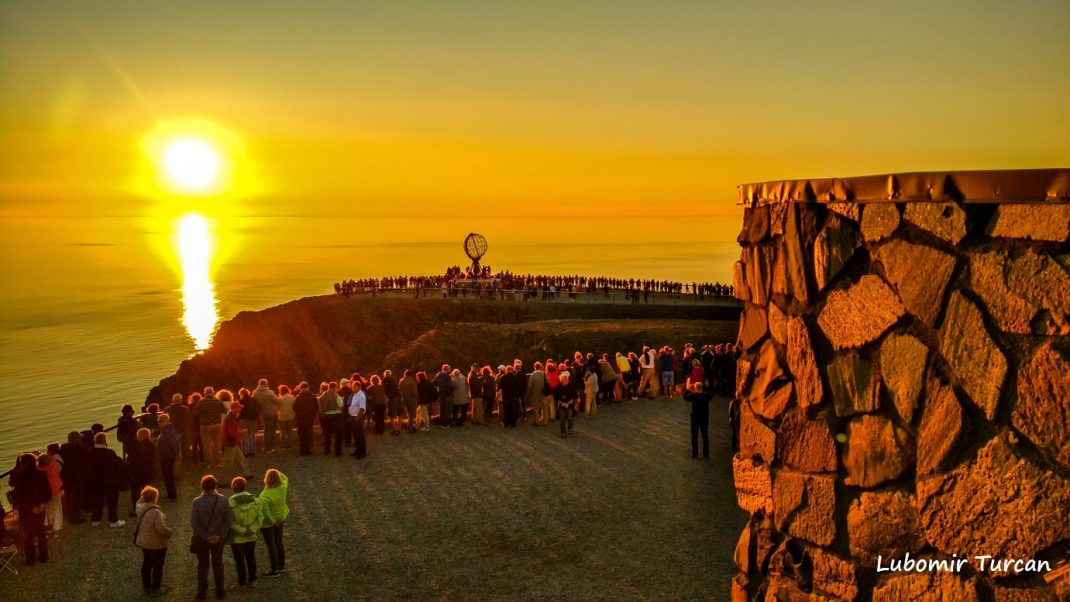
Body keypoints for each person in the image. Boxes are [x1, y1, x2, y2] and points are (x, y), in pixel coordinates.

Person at [191, 475, 233, 601]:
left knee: (203, 565)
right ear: (215, 485)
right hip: (219, 538)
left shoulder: (197, 502)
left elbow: (194, 522)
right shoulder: (223, 500)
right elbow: (229, 520)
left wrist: (205, 536)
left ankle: (202, 593)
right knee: (218, 563)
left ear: (202, 486)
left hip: (202, 539)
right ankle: (220, 590)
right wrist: (220, 535)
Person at [10, 453, 51, 566]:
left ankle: (31, 559)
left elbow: (21, 494)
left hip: (26, 509)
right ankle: (43, 556)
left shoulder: (20, 477)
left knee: (28, 535)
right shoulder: (42, 475)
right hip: (41, 507)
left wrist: (32, 507)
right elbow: (48, 492)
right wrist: (42, 504)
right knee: (41, 532)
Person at [134, 485, 172, 596]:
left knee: (146, 564)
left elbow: (137, 502)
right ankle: (156, 588)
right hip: (157, 544)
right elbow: (161, 529)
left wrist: (143, 496)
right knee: (158, 565)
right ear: (155, 498)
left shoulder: (139, 508)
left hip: (144, 543)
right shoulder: (156, 512)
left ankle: (146, 586)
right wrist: (169, 532)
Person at [87, 432, 127, 527]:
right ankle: (113, 520)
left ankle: (95, 520)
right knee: (112, 502)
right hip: (110, 482)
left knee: (97, 501)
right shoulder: (109, 453)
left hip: (95, 482)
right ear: (105, 441)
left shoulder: (89, 453)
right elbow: (121, 464)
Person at [227, 477, 261, 588]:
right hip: (251, 535)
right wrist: (251, 529)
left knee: (239, 560)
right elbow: (260, 518)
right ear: (245, 486)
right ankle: (252, 579)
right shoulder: (256, 501)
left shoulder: (230, 503)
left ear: (233, 488)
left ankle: (242, 582)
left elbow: (230, 522)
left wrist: (242, 530)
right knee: (251, 557)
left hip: (237, 537)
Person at [259, 469, 289, 577]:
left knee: (271, 545)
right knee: (279, 542)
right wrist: (275, 471)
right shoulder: (283, 487)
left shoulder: (265, 495)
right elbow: (285, 477)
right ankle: (281, 566)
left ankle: (274, 569)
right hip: (281, 518)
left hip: (269, 523)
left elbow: (265, 512)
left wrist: (273, 522)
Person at [59, 431, 88, 524]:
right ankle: (75, 518)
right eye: (80, 438)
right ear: (77, 440)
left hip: (65, 477)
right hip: (77, 478)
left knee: (68, 495)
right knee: (76, 498)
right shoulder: (80, 449)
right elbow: (84, 463)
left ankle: (68, 513)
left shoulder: (63, 448)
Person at [127, 428, 156, 517]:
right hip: (147, 471)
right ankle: (149, 507)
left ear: (141, 436)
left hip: (137, 472)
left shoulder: (137, 447)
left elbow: (131, 458)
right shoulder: (151, 445)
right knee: (146, 489)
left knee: (135, 492)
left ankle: (137, 510)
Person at [194, 387, 226, 468]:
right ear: (213, 392)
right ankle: (220, 462)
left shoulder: (201, 402)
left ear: (205, 393)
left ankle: (208, 463)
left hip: (205, 425)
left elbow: (195, 412)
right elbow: (224, 411)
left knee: (207, 446)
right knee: (217, 444)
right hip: (217, 424)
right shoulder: (218, 401)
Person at [222, 402, 253, 481]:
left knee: (241, 459)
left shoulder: (232, 417)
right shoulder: (231, 419)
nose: (240, 409)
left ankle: (247, 474)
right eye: (239, 408)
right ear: (234, 409)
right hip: (231, 443)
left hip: (233, 442)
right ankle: (223, 481)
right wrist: (241, 433)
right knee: (228, 463)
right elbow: (231, 434)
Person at [683, 381, 712, 459]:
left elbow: (685, 397)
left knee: (694, 437)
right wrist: (707, 387)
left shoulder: (693, 396)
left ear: (695, 388)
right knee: (705, 437)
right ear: (702, 388)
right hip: (704, 418)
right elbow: (711, 393)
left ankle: (695, 454)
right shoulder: (706, 396)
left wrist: (688, 389)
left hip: (695, 418)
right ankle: (706, 454)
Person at [37, 451, 63, 536]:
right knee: (54, 510)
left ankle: (47, 530)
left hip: (45, 494)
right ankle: (55, 528)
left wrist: (37, 456)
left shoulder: (40, 470)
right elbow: (51, 458)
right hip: (56, 491)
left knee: (45, 512)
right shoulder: (53, 466)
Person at [157, 414, 181, 501]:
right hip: (166, 456)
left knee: (168, 476)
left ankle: (172, 496)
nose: (159, 423)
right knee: (167, 476)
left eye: (161, 421)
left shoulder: (168, 432)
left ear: (167, 421)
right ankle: (171, 494)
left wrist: (176, 454)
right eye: (158, 421)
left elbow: (173, 444)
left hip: (168, 457)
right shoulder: (167, 430)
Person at [253, 379, 280, 453]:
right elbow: (277, 401)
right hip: (272, 413)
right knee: (271, 431)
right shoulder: (270, 392)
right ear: (266, 384)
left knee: (266, 430)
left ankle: (265, 447)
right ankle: (270, 448)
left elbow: (255, 402)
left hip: (263, 414)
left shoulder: (255, 392)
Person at [165, 393, 192, 465]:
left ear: (173, 400)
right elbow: (189, 420)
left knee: (175, 449)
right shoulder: (185, 409)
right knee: (185, 448)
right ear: (180, 400)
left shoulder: (167, 409)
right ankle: (186, 464)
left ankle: (177, 464)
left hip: (172, 431)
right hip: (184, 431)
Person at [318, 381, 344, 456]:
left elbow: (319, 402)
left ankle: (327, 450)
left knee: (327, 434)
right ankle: (338, 452)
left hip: (326, 416)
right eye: (336, 388)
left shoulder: (323, 395)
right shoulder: (336, 396)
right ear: (334, 388)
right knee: (338, 434)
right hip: (336, 416)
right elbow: (341, 405)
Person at [292, 382, 318, 456]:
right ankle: (308, 449)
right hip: (309, 418)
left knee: (301, 434)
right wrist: (313, 414)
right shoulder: (312, 396)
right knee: (308, 433)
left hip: (300, 418)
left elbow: (294, 407)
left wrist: (299, 412)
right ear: (308, 387)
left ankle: (302, 450)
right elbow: (316, 406)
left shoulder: (298, 397)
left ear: (301, 388)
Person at [347, 381, 368, 459]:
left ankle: (362, 452)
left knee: (360, 435)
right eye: (352, 387)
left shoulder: (361, 396)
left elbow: (362, 408)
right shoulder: (355, 394)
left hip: (358, 417)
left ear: (358, 387)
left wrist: (357, 418)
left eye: (354, 387)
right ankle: (357, 450)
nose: (352, 388)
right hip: (353, 416)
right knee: (355, 435)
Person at [525, 361, 549, 426]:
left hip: (535, 394)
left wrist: (529, 393)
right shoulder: (544, 374)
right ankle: (545, 421)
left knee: (535, 408)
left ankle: (537, 421)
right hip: (543, 393)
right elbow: (548, 383)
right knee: (544, 408)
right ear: (540, 367)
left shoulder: (532, 375)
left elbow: (530, 386)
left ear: (534, 367)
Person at [237, 388, 259, 457]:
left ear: (241, 394)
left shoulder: (240, 401)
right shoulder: (253, 400)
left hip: (243, 420)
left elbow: (239, 412)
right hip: (253, 419)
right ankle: (252, 451)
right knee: (252, 435)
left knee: (245, 436)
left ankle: (246, 452)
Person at [383, 370, 404, 435]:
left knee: (391, 414)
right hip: (398, 397)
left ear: (385, 374)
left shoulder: (384, 380)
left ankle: (394, 429)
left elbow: (384, 389)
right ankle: (399, 429)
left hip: (391, 398)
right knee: (399, 413)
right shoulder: (393, 379)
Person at [399, 369, 420, 434]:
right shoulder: (411, 382)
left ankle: (409, 426)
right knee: (412, 415)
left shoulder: (401, 381)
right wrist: (418, 399)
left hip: (404, 400)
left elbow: (399, 389)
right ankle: (410, 428)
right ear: (410, 375)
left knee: (409, 413)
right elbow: (415, 393)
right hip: (412, 400)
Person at [276, 384, 295, 450]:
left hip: (282, 417)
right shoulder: (292, 397)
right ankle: (289, 445)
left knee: (283, 432)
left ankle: (283, 446)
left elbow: (277, 408)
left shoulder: (279, 399)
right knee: (289, 432)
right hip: (290, 416)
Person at [555, 373, 574, 437]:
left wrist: (574, 403)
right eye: (563, 380)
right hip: (561, 405)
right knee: (562, 419)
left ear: (567, 380)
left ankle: (569, 427)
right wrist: (559, 401)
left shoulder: (571, 386)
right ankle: (563, 432)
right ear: (561, 380)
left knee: (569, 418)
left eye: (565, 380)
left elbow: (575, 396)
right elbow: (555, 397)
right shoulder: (558, 387)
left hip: (569, 405)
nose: (564, 382)